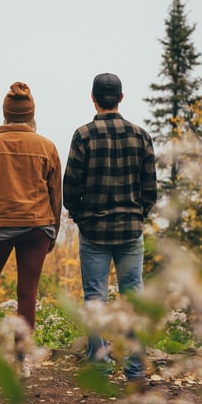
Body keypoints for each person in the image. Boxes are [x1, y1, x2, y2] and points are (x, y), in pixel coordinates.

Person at [63, 73, 157, 380]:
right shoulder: (141, 136)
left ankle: (101, 368)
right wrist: (137, 215)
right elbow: (150, 190)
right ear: (121, 98)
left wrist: (81, 216)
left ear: (92, 98)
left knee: (95, 299)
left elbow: (70, 187)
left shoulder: (83, 136)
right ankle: (134, 369)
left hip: (94, 234)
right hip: (131, 232)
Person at [0, 81, 62, 377]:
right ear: (31, 114)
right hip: (37, 227)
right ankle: (20, 361)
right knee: (27, 293)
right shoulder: (47, 147)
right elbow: (55, 195)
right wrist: (52, 232)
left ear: (5, 113)